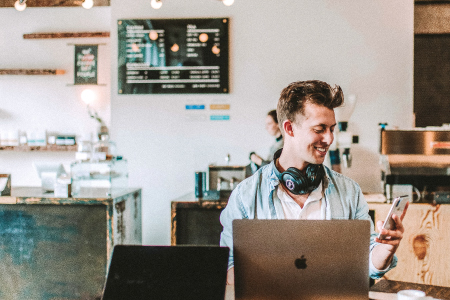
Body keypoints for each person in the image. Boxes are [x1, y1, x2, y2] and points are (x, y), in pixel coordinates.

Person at [220, 80, 408, 285]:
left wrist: (386, 248)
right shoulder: (245, 196)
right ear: (289, 128)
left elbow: (367, 264)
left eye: (332, 129)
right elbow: (228, 267)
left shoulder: (349, 191)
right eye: (320, 129)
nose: (329, 139)